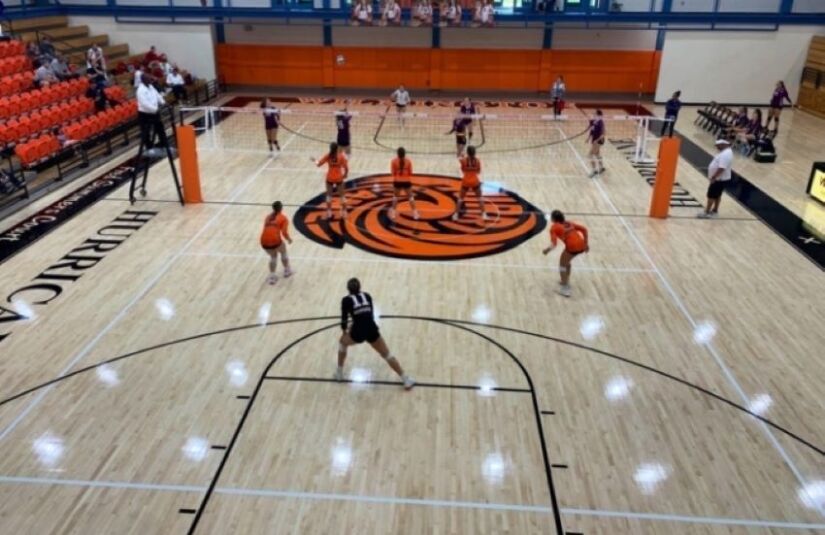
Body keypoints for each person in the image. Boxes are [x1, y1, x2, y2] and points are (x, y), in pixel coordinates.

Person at [335, 277, 415, 390]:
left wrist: (345, 332)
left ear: (348, 289)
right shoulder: (367, 296)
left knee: (342, 343)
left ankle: (339, 373)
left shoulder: (346, 300)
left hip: (358, 332)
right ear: (360, 287)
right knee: (387, 354)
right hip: (372, 329)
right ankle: (405, 379)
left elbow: (344, 320)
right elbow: (370, 315)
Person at [542, 210, 588, 298]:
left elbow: (554, 244)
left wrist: (546, 250)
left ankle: (565, 288)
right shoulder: (569, 223)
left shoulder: (554, 227)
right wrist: (586, 244)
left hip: (572, 247)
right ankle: (566, 280)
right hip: (581, 244)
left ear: (553, 219)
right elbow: (584, 230)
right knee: (567, 262)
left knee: (562, 265)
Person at [697, 138, 734, 219]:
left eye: (718, 145)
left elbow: (721, 168)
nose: (717, 147)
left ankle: (707, 212)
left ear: (724, 144)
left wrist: (714, 177)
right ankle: (714, 211)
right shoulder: (725, 152)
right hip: (721, 179)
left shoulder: (726, 154)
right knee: (717, 195)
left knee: (711, 195)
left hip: (719, 179)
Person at [260, 201, 294, 284]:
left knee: (273, 257)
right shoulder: (283, 218)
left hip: (263, 240)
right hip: (275, 239)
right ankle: (287, 270)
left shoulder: (267, 217)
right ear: (281, 208)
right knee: (283, 252)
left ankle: (272, 276)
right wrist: (289, 239)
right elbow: (284, 232)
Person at [313, 142, 349, 220]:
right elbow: (346, 167)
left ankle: (329, 213)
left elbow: (318, 164)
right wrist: (345, 174)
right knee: (342, 196)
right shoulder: (341, 156)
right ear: (337, 149)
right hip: (339, 178)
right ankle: (344, 212)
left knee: (329, 196)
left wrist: (314, 160)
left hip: (329, 178)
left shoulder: (328, 155)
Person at [453, 145, 486, 220]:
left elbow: (463, 169)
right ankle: (484, 214)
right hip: (475, 181)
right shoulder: (477, 161)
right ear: (475, 153)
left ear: (467, 153)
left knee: (460, 199)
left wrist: (461, 155)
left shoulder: (463, 160)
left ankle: (455, 215)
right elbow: (478, 172)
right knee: (480, 198)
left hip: (466, 181)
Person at [136, 73, 167, 150]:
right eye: (149, 78)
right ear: (144, 80)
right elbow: (145, 104)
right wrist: (155, 109)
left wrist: (163, 102)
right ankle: (149, 148)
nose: (151, 79)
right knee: (146, 132)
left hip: (154, 112)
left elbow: (157, 95)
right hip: (145, 114)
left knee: (160, 128)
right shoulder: (140, 91)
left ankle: (164, 143)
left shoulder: (151, 87)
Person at [391, 147, 419, 220]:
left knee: (395, 197)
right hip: (406, 181)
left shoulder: (393, 161)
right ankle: (415, 214)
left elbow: (393, 173)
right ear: (404, 154)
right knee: (411, 198)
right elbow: (410, 172)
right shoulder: (408, 161)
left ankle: (393, 214)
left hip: (397, 181)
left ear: (397, 154)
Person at [586, 109, 605, 178]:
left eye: (595, 114)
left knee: (590, 155)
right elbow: (591, 130)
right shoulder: (594, 121)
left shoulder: (601, 122)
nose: (593, 114)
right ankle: (602, 167)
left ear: (599, 115)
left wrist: (596, 140)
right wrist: (588, 138)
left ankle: (594, 170)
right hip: (594, 140)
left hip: (599, 140)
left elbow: (603, 134)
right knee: (597, 154)